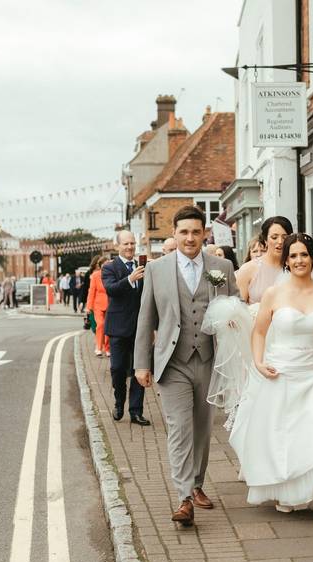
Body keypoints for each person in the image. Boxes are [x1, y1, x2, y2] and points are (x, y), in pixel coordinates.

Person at [227, 233, 313, 531]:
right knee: (286, 438)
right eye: (293, 256)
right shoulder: (274, 294)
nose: (299, 260)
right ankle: (288, 490)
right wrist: (258, 362)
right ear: (286, 260)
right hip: (282, 373)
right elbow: (258, 332)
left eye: (304, 255)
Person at [133, 206, 239, 527]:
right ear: (174, 234)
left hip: (208, 359)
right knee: (179, 429)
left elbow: (234, 306)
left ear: (205, 233)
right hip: (172, 363)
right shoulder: (157, 269)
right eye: (184, 232)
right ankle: (183, 498)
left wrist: (235, 323)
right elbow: (146, 318)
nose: (190, 238)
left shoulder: (221, 267)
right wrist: (141, 364)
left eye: (196, 232)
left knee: (202, 429)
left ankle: (197, 483)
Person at [102, 231, 150, 426]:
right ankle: (119, 400)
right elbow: (111, 289)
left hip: (140, 327)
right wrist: (130, 279)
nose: (130, 247)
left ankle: (136, 411)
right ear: (118, 246)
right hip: (118, 328)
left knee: (139, 368)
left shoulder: (144, 265)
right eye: (126, 244)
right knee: (118, 369)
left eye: (132, 243)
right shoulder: (109, 267)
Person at [235, 216, 293, 303]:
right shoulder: (248, 269)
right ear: (265, 240)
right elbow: (238, 309)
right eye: (274, 237)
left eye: (285, 237)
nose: (280, 241)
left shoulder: (295, 267)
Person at [86, 257, 110, 357]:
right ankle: (98, 347)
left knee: (109, 327)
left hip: (110, 304)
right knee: (100, 324)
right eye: (104, 264)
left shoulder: (112, 275)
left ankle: (108, 348)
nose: (106, 266)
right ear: (100, 266)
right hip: (98, 304)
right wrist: (88, 307)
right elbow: (91, 291)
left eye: (108, 264)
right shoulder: (95, 275)